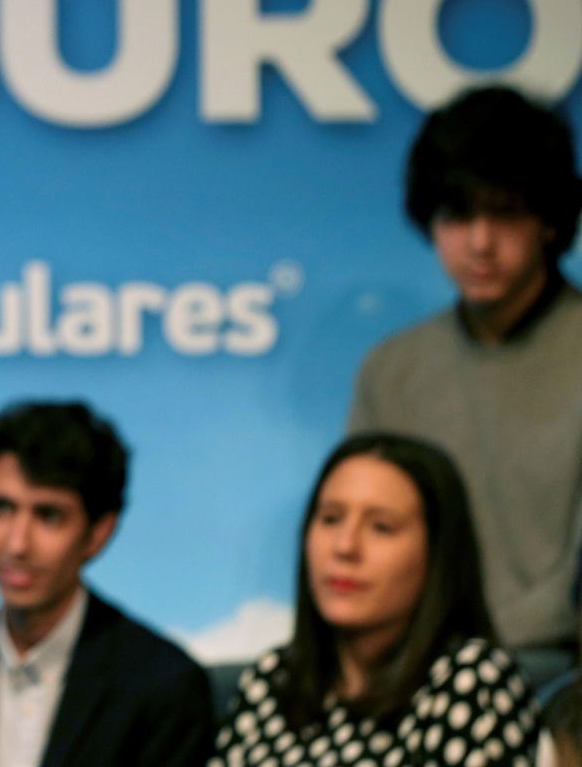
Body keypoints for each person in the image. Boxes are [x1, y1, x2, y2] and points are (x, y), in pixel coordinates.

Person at [348, 86, 582, 676]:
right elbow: (365, 550)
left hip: (563, 679)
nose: (480, 243)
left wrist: (473, 656)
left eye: (505, 212)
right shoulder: (393, 370)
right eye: (457, 216)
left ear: (550, 220)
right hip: (417, 675)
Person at [0, 401, 213, 767]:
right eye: (1, 508)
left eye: (48, 515)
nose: (16, 544)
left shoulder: (163, 685)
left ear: (99, 532)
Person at [210, 433, 542, 767]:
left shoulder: (472, 680)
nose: (345, 546)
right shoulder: (272, 679)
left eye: (381, 527)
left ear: (438, 553)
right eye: (331, 518)